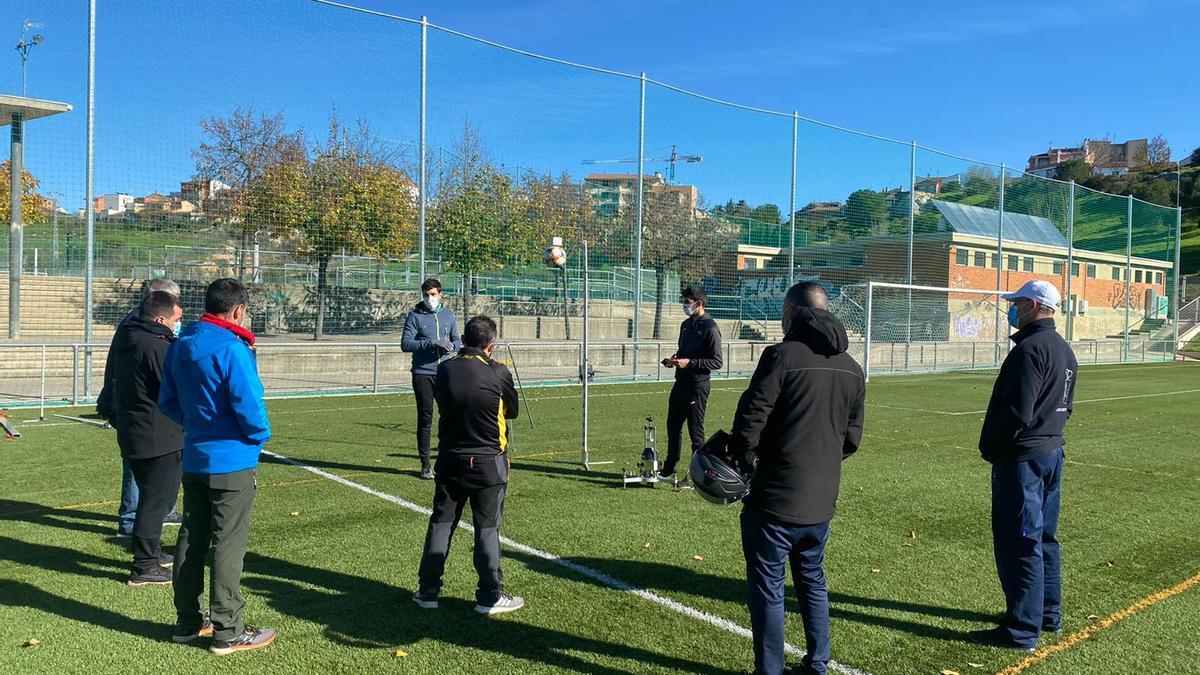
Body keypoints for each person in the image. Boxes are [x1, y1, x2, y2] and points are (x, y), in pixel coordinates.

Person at [729, 282, 865, 675]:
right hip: (821, 500)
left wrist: (746, 460)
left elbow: (750, 418)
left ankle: (770, 670)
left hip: (775, 497)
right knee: (812, 580)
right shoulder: (853, 368)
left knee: (768, 588)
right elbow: (852, 438)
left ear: (792, 314)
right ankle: (817, 663)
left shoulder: (781, 356)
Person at [159, 278, 276, 654]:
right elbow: (249, 405)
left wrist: (196, 425)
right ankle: (228, 628)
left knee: (192, 537)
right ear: (238, 310)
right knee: (228, 544)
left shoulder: (182, 346)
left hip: (195, 456)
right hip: (231, 459)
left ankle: (187, 621)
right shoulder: (232, 349)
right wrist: (258, 435)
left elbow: (167, 401)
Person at [968, 280, 1077, 652]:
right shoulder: (1064, 350)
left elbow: (1017, 411)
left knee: (1019, 540)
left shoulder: (1029, 350)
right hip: (1051, 452)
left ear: (1032, 305)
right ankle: (1047, 614)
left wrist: (992, 445)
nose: (1012, 309)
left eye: (1016, 303)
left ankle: (1021, 628)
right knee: (1044, 537)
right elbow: (1067, 404)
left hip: (1024, 458)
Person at [413, 315, 522, 616]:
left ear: (462, 339)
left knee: (441, 523)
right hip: (488, 463)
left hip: (450, 459)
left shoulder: (444, 369)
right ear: (491, 345)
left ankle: (427, 590)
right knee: (486, 527)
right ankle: (489, 595)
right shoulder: (499, 372)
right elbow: (511, 411)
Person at [110, 291, 185, 587]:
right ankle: (144, 565)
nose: (176, 326)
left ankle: (150, 552)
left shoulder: (130, 339)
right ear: (159, 319)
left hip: (135, 431)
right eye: (175, 321)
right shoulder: (156, 347)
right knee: (157, 501)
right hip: (158, 436)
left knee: (150, 497)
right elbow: (174, 387)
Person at [98, 277, 182, 538]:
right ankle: (131, 522)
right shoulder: (138, 332)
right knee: (140, 470)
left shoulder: (141, 329)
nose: (176, 320)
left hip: (138, 412)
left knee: (155, 477)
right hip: (140, 415)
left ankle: (158, 514)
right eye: (172, 309)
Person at [659, 285, 723, 480]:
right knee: (673, 425)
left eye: (687, 302)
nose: (684, 305)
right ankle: (670, 467)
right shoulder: (685, 325)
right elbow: (683, 352)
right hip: (680, 383)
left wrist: (691, 363)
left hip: (698, 386)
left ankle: (697, 474)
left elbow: (717, 361)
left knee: (696, 432)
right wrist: (675, 360)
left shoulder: (710, 328)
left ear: (699, 303)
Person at [401, 278, 461, 480]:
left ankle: (447, 460)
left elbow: (457, 340)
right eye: (426, 295)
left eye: (433, 294)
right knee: (425, 419)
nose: (429, 298)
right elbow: (406, 343)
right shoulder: (414, 317)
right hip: (423, 374)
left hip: (445, 372)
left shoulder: (448, 315)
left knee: (450, 416)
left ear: (440, 294)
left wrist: (454, 347)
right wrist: (431, 343)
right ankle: (425, 465)